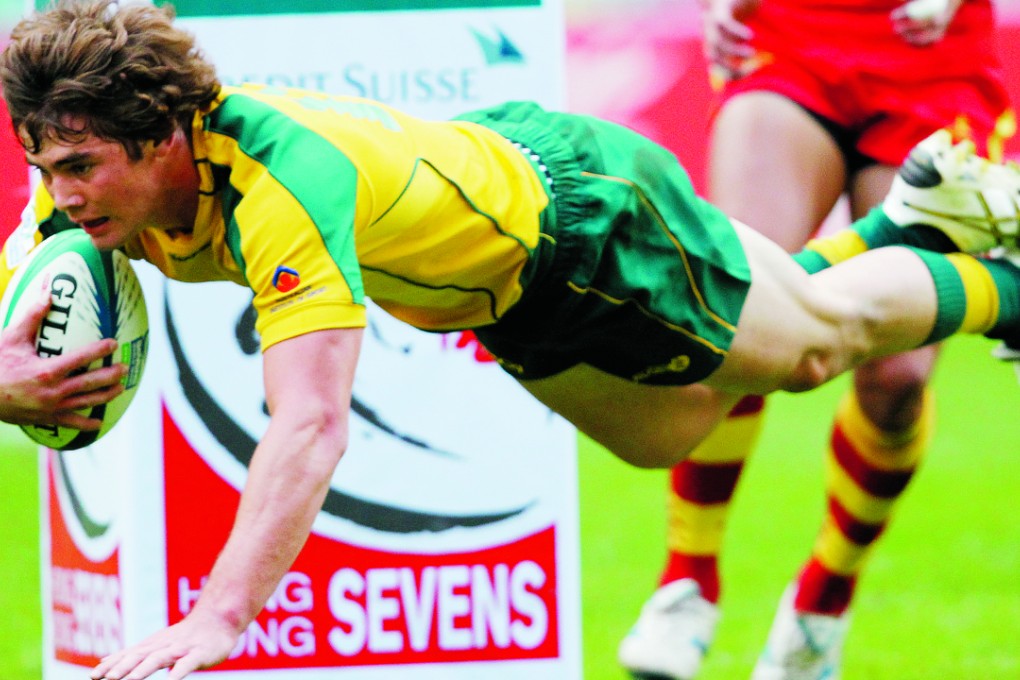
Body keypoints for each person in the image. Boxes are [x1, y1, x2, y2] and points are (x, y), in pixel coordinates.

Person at [1, 2, 1020, 679]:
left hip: (587, 228)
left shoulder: (278, 182)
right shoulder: (80, 207)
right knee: (667, 433)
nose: (62, 194)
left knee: (809, 352)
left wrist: (220, 616)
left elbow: (309, 425)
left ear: (165, 135)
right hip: (511, 297)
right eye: (47, 166)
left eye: (82, 164)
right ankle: (905, 220)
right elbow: (11, 316)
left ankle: (998, 284)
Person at [616, 0, 1015, 678]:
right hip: (791, 36)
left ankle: (824, 601)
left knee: (897, 383)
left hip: (933, 57)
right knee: (737, 308)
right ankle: (688, 581)